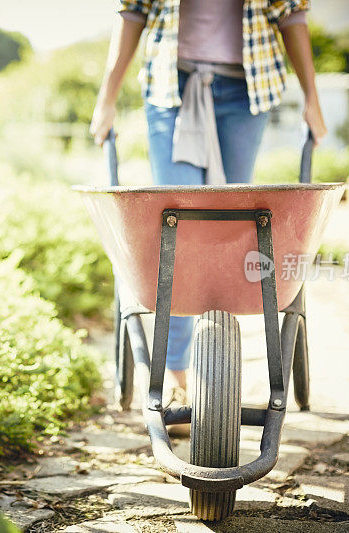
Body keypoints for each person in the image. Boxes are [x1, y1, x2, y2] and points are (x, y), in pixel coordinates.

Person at [90, 0, 327, 416]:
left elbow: (290, 12)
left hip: (248, 87)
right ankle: (178, 372)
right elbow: (133, 11)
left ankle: (215, 350)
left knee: (229, 224)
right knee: (177, 223)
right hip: (171, 84)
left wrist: (313, 96)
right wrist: (106, 98)